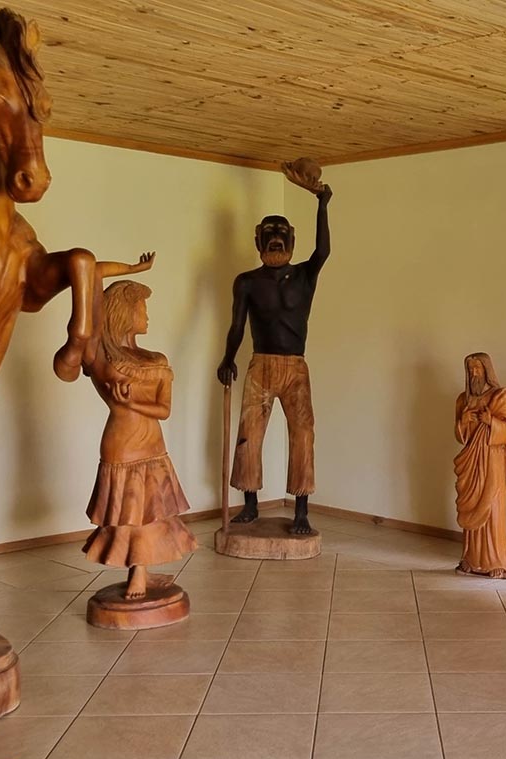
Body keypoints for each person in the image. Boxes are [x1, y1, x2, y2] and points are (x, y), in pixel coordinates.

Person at [217, 183, 333, 534]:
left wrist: (322, 204)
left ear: (292, 239)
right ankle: (250, 504)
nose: (276, 238)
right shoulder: (247, 282)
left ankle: (301, 510)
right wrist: (227, 358)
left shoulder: (304, 276)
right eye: (269, 233)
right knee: (249, 434)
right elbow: (237, 325)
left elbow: (323, 250)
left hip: (296, 367)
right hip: (261, 365)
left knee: (303, 435)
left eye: (282, 233)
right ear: (258, 239)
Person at [83, 280, 197, 598]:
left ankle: (143, 570)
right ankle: (138, 572)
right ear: (123, 313)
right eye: (141, 308)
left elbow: (163, 409)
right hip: (122, 444)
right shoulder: (101, 357)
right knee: (129, 515)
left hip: (153, 446)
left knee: (153, 512)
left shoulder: (156, 359)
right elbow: (82, 323)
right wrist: (114, 273)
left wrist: (128, 402)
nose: (147, 314)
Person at [453, 353, 506, 578]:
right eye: (470, 369)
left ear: (487, 370)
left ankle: (496, 561)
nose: (474, 374)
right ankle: (471, 559)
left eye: (478, 369)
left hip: (493, 461)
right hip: (472, 463)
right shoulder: (463, 400)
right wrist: (464, 421)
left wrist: (492, 423)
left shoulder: (501, 397)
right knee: (472, 506)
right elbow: (460, 436)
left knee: (493, 509)